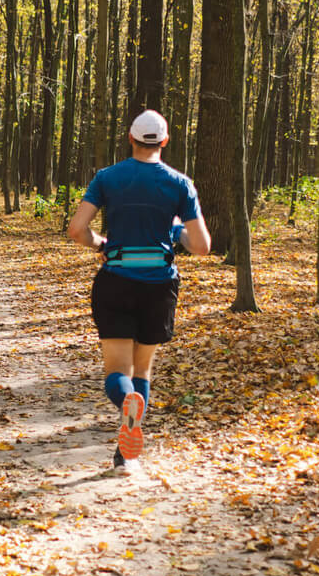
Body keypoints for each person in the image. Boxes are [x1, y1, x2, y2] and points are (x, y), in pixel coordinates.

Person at [67, 110, 212, 474]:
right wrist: (176, 233)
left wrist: (99, 242)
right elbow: (202, 246)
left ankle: (125, 403)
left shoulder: (107, 178)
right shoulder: (180, 184)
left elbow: (76, 229)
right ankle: (126, 454)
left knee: (117, 369)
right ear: (164, 142)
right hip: (159, 285)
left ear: (130, 139)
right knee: (142, 369)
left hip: (115, 279)